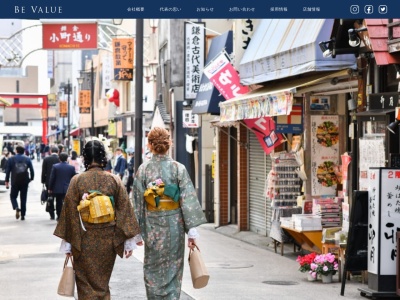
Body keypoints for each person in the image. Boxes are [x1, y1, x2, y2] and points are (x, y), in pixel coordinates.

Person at [53, 140, 143, 299]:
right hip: (107, 240)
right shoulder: (114, 180)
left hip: (84, 239)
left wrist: (68, 244)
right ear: (103, 157)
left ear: (85, 157)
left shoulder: (77, 181)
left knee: (85, 284)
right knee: (102, 283)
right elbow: (124, 210)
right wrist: (128, 241)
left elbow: (70, 215)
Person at [133, 127, 207, 299]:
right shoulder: (178, 168)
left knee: (152, 267)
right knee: (173, 269)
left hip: (152, 227)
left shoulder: (144, 170)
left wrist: (136, 233)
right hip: (175, 226)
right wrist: (192, 232)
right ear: (169, 143)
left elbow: (137, 203)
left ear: (150, 144)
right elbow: (187, 201)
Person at [5, 145, 34, 221]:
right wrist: (31, 178)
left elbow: (7, 171)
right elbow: (31, 170)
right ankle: (23, 215)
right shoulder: (27, 159)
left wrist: (7, 181)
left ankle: (16, 207)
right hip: (24, 181)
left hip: (15, 181)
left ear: (16, 150)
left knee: (13, 196)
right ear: (23, 151)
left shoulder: (11, 159)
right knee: (23, 198)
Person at [48, 152, 76, 220]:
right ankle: (67, 215)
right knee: (67, 202)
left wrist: (50, 188)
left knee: (58, 202)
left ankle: (59, 215)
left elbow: (52, 178)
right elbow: (74, 178)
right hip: (67, 188)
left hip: (57, 188)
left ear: (59, 158)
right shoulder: (71, 167)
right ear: (67, 158)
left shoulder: (55, 166)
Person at [41, 146, 60, 220]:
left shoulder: (46, 159)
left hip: (48, 182)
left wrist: (43, 181)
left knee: (50, 198)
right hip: (58, 181)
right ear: (58, 151)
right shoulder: (60, 158)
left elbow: (44, 171)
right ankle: (58, 214)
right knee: (59, 199)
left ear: (50, 151)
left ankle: (52, 214)